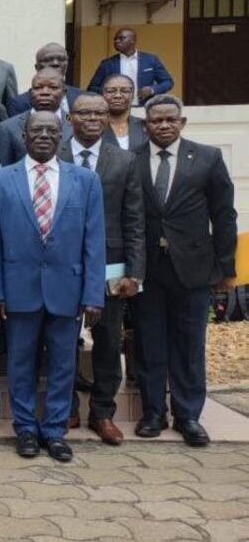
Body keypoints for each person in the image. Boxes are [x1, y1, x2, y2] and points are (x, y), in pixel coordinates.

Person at [0, 111, 105, 462]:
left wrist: (94, 294)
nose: (44, 135)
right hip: (18, 289)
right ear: (24, 134)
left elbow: (94, 243)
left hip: (67, 289)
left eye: (52, 130)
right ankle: (25, 429)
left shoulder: (85, 180)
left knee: (64, 364)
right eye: (37, 130)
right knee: (20, 362)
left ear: (62, 134)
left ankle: (54, 431)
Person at [135, 95, 237, 447]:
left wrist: (226, 267)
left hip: (193, 267)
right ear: (145, 124)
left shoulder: (207, 158)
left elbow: (224, 214)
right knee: (149, 342)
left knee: (189, 342)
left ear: (182, 122)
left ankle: (188, 415)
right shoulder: (130, 159)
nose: (163, 125)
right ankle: (152, 412)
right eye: (155, 120)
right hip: (147, 267)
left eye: (170, 119)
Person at [61, 94, 145, 445]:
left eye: (99, 113)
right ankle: (66, 409)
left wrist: (135, 272)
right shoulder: (53, 153)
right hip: (62, 263)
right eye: (84, 113)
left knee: (109, 340)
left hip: (111, 263)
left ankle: (103, 412)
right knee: (62, 339)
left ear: (108, 118)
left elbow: (135, 218)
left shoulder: (124, 161)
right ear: (70, 119)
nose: (93, 118)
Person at [0, 68, 72, 166]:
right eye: (38, 88)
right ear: (30, 92)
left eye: (53, 87)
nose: (45, 92)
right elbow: (2, 171)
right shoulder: (7, 128)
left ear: (64, 92)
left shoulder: (76, 125)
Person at [87, 28, 174, 105]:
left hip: (143, 107)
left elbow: (167, 82)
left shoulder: (150, 60)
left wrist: (152, 90)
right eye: (115, 39)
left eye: (121, 38)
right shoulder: (107, 64)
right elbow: (92, 88)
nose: (117, 41)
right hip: (115, 109)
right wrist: (109, 93)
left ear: (133, 40)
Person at [7, 44, 84, 114]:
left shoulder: (83, 97)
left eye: (61, 59)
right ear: (37, 67)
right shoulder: (19, 103)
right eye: (48, 60)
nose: (55, 63)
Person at [101, 73, 149, 152]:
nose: (118, 95)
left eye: (125, 91)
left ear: (133, 96)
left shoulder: (146, 126)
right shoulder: (93, 126)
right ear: (103, 95)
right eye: (110, 91)